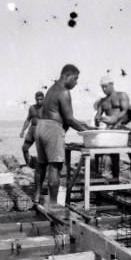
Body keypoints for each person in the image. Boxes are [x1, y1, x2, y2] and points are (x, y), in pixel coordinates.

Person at [34, 64, 92, 207]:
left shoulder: (51, 90)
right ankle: (53, 203)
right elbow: (69, 119)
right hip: (53, 129)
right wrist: (87, 132)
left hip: (40, 127)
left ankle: (36, 195)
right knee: (55, 166)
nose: (76, 82)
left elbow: (62, 115)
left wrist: (85, 125)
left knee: (41, 165)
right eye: (75, 78)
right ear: (67, 75)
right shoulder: (64, 91)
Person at [94, 76, 130, 179]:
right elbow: (98, 115)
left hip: (120, 128)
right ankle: (107, 180)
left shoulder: (121, 95)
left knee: (111, 154)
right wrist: (97, 118)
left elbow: (125, 111)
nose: (104, 89)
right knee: (105, 155)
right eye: (102, 87)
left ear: (112, 84)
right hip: (108, 130)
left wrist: (115, 118)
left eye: (105, 86)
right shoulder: (102, 101)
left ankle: (112, 180)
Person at [20, 91, 44, 166]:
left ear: (43, 99)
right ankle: (28, 164)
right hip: (32, 129)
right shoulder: (32, 108)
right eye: (37, 99)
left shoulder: (47, 108)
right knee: (24, 148)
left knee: (41, 150)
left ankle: (43, 167)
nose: (39, 101)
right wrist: (23, 130)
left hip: (42, 130)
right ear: (35, 99)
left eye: (41, 99)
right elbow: (28, 119)